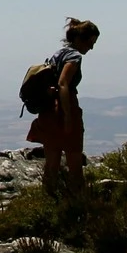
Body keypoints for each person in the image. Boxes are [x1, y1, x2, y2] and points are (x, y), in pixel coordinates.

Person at [27, 17, 98, 193]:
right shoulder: (74, 57)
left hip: (47, 112)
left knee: (51, 164)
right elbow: (63, 83)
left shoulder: (58, 54)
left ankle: (47, 203)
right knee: (74, 162)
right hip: (65, 109)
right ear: (81, 39)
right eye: (91, 42)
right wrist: (68, 117)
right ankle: (78, 205)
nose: (91, 47)